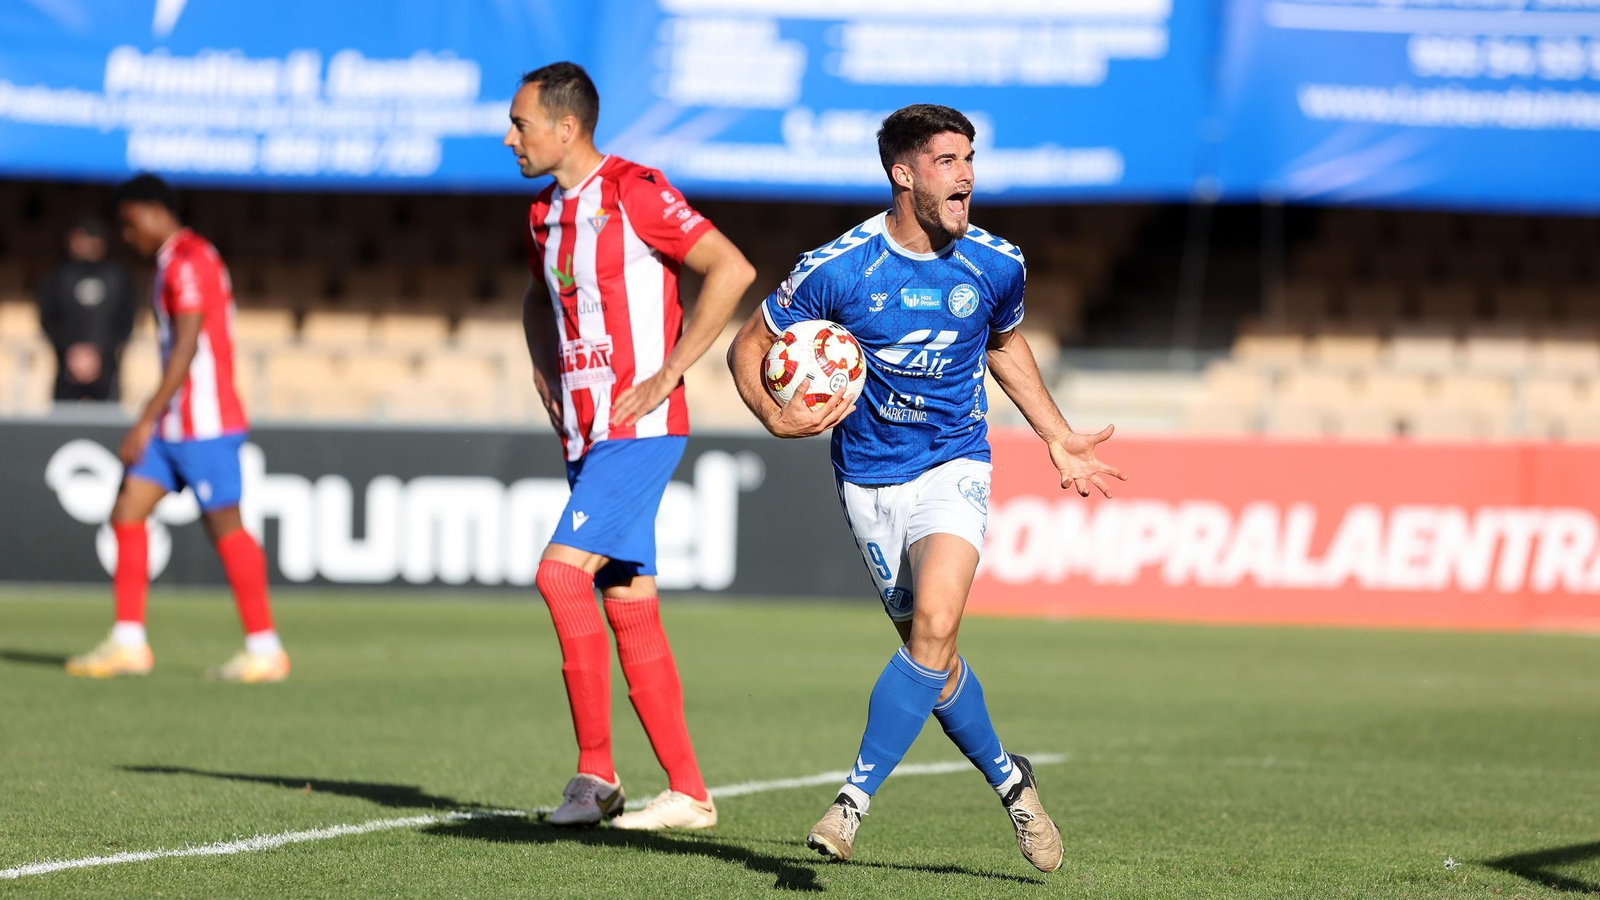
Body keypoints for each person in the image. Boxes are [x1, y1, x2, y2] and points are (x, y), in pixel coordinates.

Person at [727, 104, 1128, 871]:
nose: (967, 175)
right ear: (902, 174)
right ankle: (1015, 786)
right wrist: (776, 418)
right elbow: (750, 345)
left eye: (970, 158)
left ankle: (849, 806)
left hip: (955, 463)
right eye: (947, 161)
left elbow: (1005, 348)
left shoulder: (996, 261)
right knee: (931, 658)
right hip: (868, 478)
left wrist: (1055, 434)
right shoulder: (839, 268)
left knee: (936, 627)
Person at [505, 62, 756, 830]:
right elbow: (538, 297)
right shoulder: (544, 215)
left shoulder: (634, 191)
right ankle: (687, 791)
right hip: (585, 433)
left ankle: (594, 775)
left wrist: (673, 369)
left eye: (521, 122)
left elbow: (731, 268)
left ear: (566, 127)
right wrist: (545, 370)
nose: (509, 135)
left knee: (559, 577)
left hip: (640, 429)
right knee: (627, 603)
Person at [65, 174, 287, 684]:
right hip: (175, 422)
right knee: (126, 510)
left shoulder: (188, 259)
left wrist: (143, 417)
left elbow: (187, 346)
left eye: (128, 222)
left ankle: (265, 648)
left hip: (204, 422)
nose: (126, 235)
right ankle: (128, 642)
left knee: (224, 525)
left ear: (152, 210)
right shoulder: (175, 259)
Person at [35, 216, 136, 402]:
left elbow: (126, 320)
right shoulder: (59, 276)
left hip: (105, 368)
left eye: (92, 239)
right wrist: (70, 351)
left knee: (107, 426)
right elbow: (48, 318)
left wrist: (100, 353)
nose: (88, 245)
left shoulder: (116, 277)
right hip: (67, 366)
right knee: (64, 425)